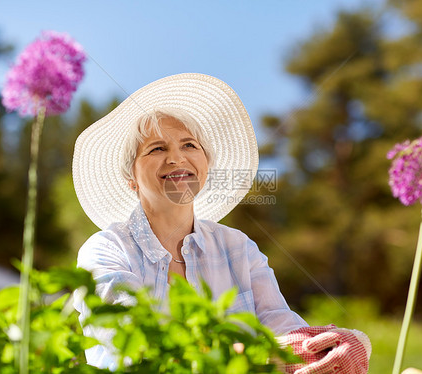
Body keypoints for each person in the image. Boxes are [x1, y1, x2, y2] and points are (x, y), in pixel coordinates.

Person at [72, 73, 371, 373]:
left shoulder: (238, 247)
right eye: (157, 148)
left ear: (206, 164)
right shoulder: (106, 250)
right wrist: (252, 356)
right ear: (131, 179)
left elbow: (284, 331)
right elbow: (134, 347)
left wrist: (338, 344)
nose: (177, 158)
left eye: (189, 145)